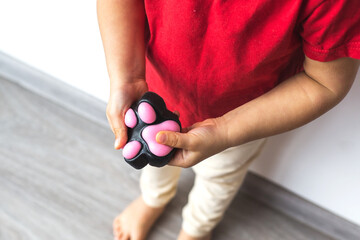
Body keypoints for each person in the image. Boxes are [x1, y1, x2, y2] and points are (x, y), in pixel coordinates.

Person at [97, 0, 360, 239]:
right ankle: (154, 199)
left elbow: (324, 82)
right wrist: (127, 77)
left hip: (240, 121)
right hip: (155, 95)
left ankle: (196, 229)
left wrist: (224, 132)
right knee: (156, 161)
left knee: (218, 179)